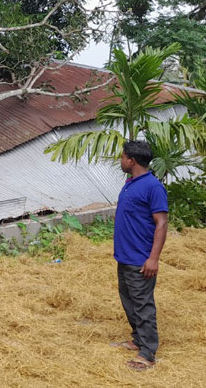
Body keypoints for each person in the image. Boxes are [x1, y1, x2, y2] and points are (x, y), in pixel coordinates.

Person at [111, 140, 168, 371]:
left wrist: (153, 258)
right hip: (124, 257)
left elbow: (162, 222)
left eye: (123, 157)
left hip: (141, 260)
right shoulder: (131, 183)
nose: (121, 160)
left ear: (131, 160)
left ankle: (148, 353)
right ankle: (137, 340)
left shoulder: (153, 187)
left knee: (143, 305)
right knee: (129, 301)